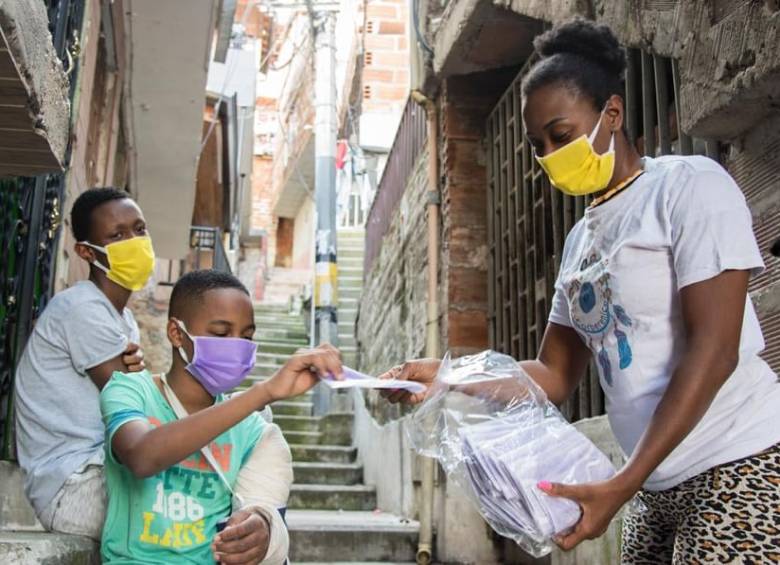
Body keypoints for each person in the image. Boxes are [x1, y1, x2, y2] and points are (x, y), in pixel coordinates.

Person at [381, 18, 780, 563]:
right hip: (653, 487)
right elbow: (553, 376)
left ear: (611, 114)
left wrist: (624, 480)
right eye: (538, 144)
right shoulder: (579, 243)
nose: (548, 154)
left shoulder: (687, 187)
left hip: (738, 461)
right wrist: (449, 374)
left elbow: (715, 351)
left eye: (561, 135)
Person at [99, 269, 343, 564]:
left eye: (247, 335)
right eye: (221, 333)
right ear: (176, 333)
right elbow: (141, 455)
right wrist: (264, 392)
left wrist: (262, 529)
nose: (237, 345)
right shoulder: (130, 390)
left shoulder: (256, 432)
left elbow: (265, 509)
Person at [14, 187, 150, 539]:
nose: (134, 241)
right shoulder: (83, 309)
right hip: (74, 487)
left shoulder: (121, 318)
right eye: (117, 235)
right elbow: (137, 405)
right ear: (87, 252)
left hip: (103, 472)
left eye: (139, 229)